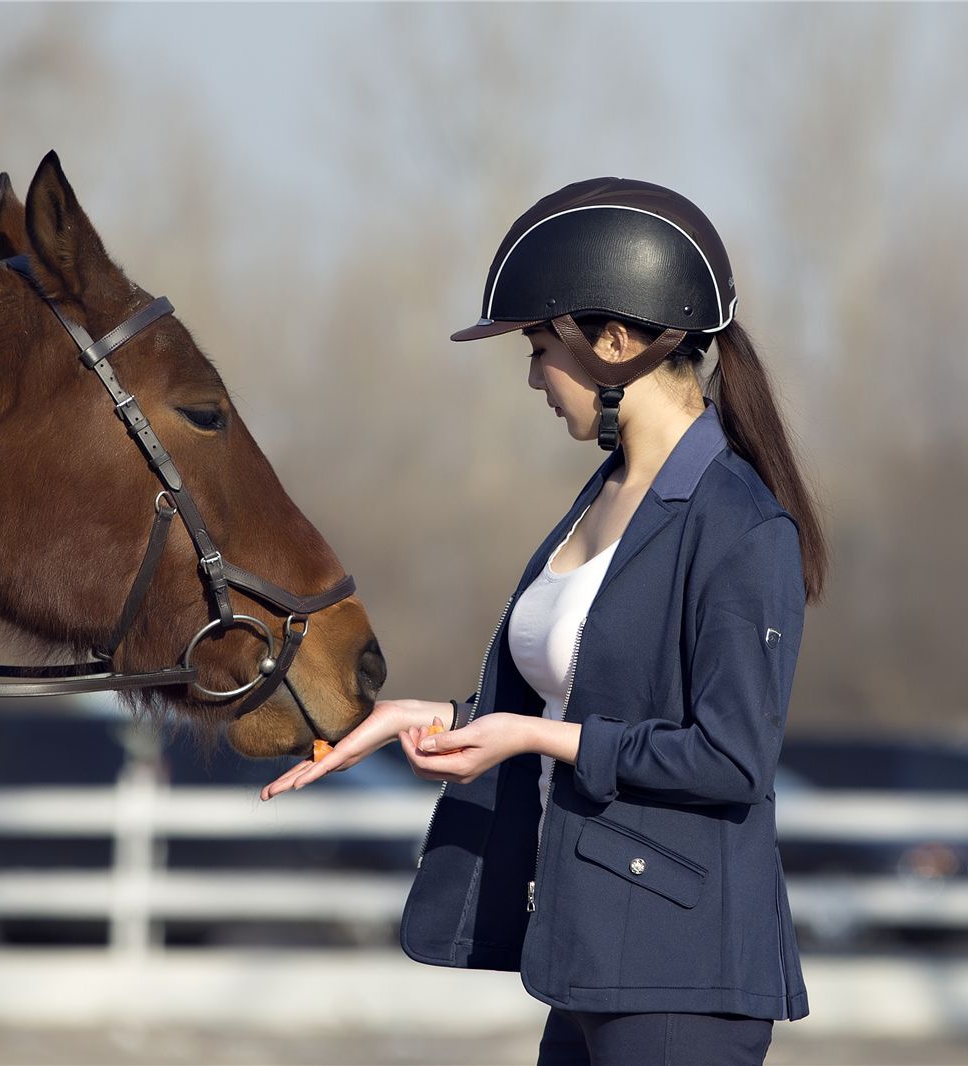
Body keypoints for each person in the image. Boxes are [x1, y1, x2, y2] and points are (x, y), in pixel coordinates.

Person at [262, 177, 828, 1065]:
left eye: (539, 348)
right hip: (586, 959)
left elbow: (731, 759)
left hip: (681, 975)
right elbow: (585, 701)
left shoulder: (739, 525)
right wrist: (436, 716)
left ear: (614, 343)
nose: (533, 377)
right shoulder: (606, 495)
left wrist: (528, 736)